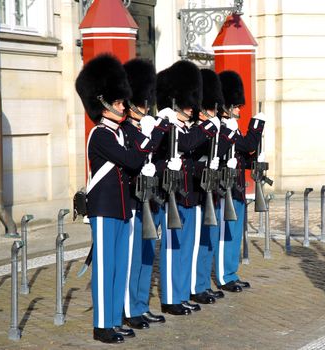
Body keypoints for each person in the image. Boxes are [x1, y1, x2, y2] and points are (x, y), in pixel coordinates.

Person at [75, 54, 155, 343]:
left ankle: (114, 319)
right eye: (119, 101)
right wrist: (150, 137)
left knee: (120, 266)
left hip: (123, 208)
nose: (123, 105)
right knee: (106, 268)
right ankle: (101, 325)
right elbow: (131, 161)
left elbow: (135, 158)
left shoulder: (119, 133)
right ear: (104, 102)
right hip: (105, 209)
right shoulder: (100, 135)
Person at [154, 60, 220, 315]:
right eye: (188, 102)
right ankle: (171, 297)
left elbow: (191, 157)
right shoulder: (167, 125)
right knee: (174, 249)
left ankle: (181, 294)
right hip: (173, 195)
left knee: (186, 248)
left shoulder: (180, 125)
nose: (192, 108)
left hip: (189, 194)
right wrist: (208, 127)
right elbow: (188, 144)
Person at [121, 58, 169, 330]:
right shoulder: (127, 129)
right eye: (142, 102)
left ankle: (140, 304)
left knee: (147, 255)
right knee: (133, 255)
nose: (146, 107)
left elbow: (158, 159)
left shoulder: (145, 126)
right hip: (133, 198)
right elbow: (134, 159)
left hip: (151, 197)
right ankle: (130, 307)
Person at [216, 70, 266, 293]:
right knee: (226, 233)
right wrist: (257, 125)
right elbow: (247, 144)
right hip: (224, 187)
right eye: (235, 106)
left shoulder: (231, 127)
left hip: (236, 186)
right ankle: (223, 275)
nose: (238, 110)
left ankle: (231, 272)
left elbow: (242, 155)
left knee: (235, 233)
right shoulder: (222, 127)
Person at [189, 68, 231, 304]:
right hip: (198, 190)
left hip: (211, 189)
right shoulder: (196, 130)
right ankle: (197, 285)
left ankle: (203, 282)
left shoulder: (211, 129)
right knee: (199, 241)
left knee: (209, 240)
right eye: (211, 108)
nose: (215, 113)